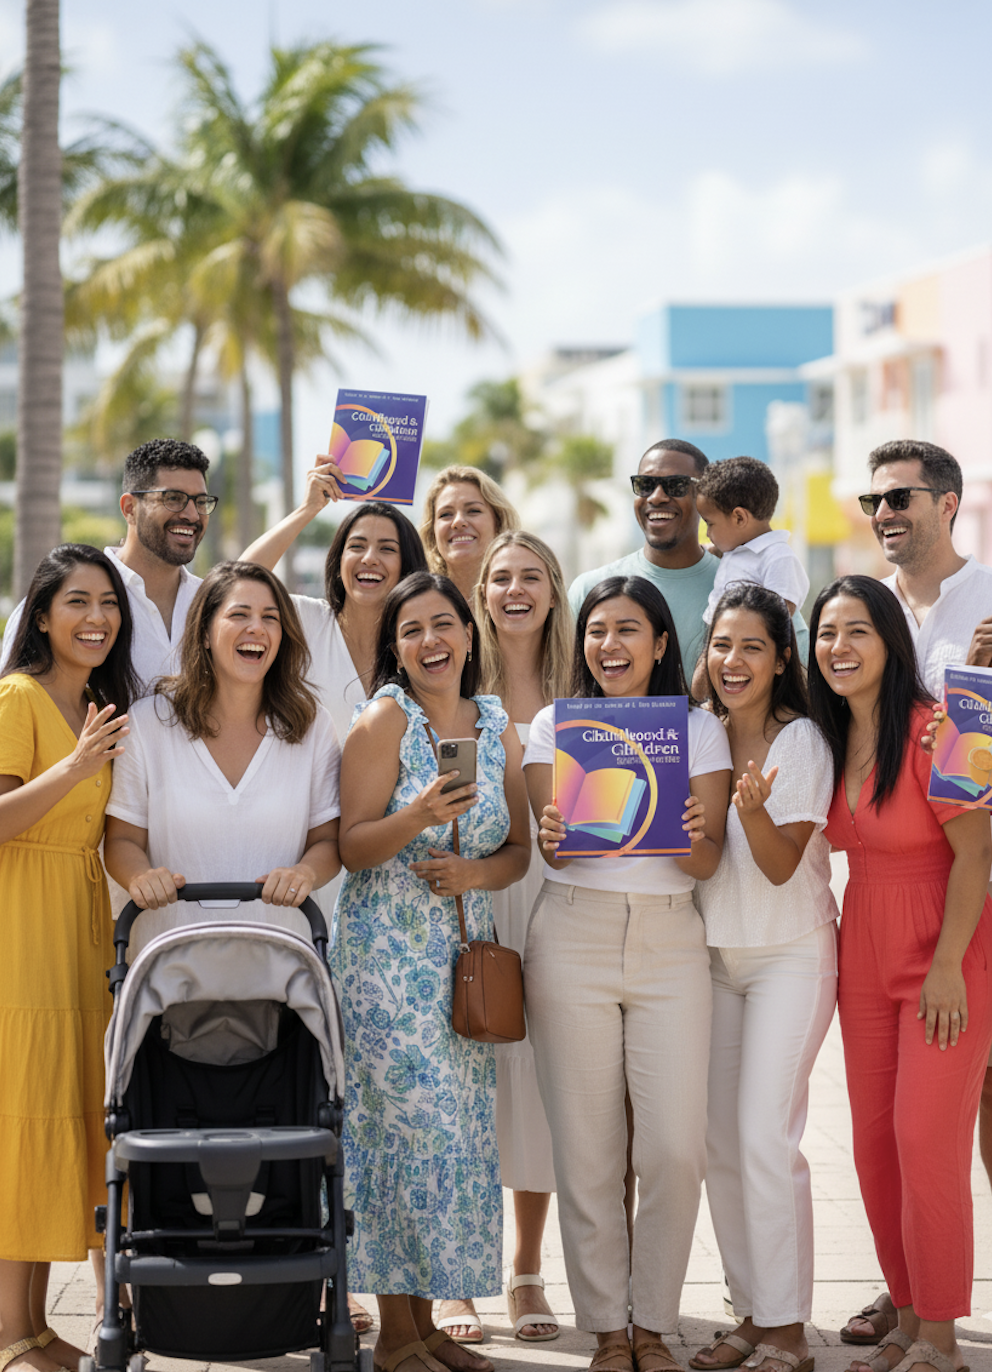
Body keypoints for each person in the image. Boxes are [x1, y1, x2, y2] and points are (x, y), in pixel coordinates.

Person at [523, 575, 732, 1372]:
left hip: (672, 942)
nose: (609, 645)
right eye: (597, 630)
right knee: (587, 1149)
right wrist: (553, 829)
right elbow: (557, 847)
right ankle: (609, 1328)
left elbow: (706, 861)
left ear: (660, 644)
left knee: (676, 1148)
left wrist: (683, 833)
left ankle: (655, 1319)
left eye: (628, 630)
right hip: (571, 930)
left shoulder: (698, 729)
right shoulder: (554, 724)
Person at [333, 571, 531, 1372]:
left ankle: (427, 1331)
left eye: (443, 624)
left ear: (469, 633)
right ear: (396, 648)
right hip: (386, 959)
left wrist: (475, 875)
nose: (430, 641)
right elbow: (350, 846)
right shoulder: (384, 720)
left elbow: (517, 849)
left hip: (460, 956)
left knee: (449, 1143)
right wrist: (418, 815)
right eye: (411, 630)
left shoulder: (496, 724)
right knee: (397, 1137)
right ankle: (400, 1337)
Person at [808, 575, 992, 1372]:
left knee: (927, 1144)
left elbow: (978, 852)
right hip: (864, 950)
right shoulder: (825, 734)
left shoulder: (938, 725)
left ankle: (944, 1339)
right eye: (825, 634)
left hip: (946, 947)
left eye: (857, 632)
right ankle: (910, 1320)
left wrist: (949, 964)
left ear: (892, 642)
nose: (839, 648)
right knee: (875, 1149)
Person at [689, 584, 838, 1372]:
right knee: (718, 1141)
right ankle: (751, 1312)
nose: (732, 661)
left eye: (751, 646)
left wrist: (749, 814)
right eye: (720, 646)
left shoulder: (802, 742)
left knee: (763, 1137)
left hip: (791, 956)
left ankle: (787, 1328)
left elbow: (780, 868)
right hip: (715, 959)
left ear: (783, 658)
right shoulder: (700, 736)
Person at [0, 544, 136, 1372]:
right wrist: (81, 763)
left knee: (57, 1118)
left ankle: (35, 1324)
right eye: (78, 601)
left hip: (77, 931)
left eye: (108, 603)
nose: (96, 618)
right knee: (20, 1122)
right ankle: (9, 1334)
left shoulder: (96, 699)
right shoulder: (17, 697)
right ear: (42, 614)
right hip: (20, 930)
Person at [104, 560, 341, 924]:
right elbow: (122, 840)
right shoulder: (147, 721)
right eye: (239, 614)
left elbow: (327, 840)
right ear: (204, 632)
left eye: (270, 617)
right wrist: (141, 877)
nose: (256, 628)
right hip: (172, 962)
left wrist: (305, 873)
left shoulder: (312, 725)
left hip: (282, 963)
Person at [474, 530, 574, 1343]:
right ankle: (455, 1277)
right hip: (473, 897)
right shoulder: (448, 676)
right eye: (500, 577)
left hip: (563, 893)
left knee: (540, 1082)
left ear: (553, 590)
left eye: (530, 576)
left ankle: (526, 1269)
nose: (514, 588)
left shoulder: (588, 683)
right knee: (469, 1081)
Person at [569, 441, 809, 678]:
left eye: (676, 485)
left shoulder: (753, 580)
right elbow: (562, 681)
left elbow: (803, 669)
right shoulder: (590, 589)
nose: (657, 496)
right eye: (645, 484)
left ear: (704, 495)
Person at [1, 439, 214, 695]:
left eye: (200, 502)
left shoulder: (212, 604)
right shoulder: (59, 607)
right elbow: (16, 707)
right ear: (129, 508)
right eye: (173, 498)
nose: (192, 515)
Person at [695, 456, 809, 627]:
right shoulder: (735, 548)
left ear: (740, 518)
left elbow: (778, 622)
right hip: (718, 644)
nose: (708, 533)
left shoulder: (778, 558)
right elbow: (710, 550)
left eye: (710, 524)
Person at [419, 465, 520, 604]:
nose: (458, 522)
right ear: (432, 531)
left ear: (498, 522)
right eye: (446, 514)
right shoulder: (416, 603)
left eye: (473, 511)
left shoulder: (520, 596)